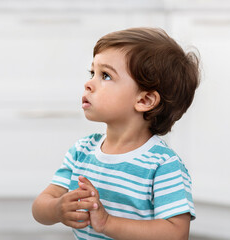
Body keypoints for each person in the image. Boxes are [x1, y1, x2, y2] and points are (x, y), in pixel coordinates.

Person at [32, 27, 200, 240]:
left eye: (106, 76)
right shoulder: (81, 151)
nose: (88, 83)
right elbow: (39, 208)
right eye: (92, 73)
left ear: (144, 100)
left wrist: (108, 223)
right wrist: (57, 209)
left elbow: (176, 233)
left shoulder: (162, 165)